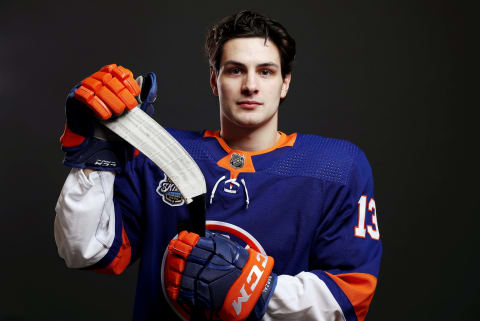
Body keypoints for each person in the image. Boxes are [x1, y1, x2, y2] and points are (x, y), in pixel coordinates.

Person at [55, 10, 382, 321]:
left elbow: (349, 299)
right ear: (215, 80)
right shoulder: (158, 154)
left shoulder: (336, 168)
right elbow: (87, 251)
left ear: (285, 83)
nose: (250, 85)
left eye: (266, 71)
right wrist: (97, 155)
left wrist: (258, 291)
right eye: (235, 70)